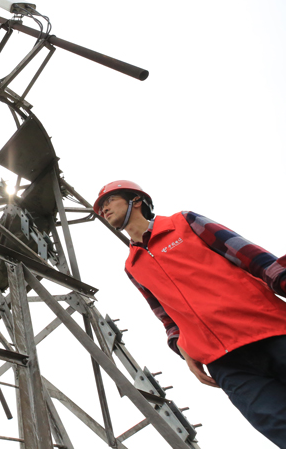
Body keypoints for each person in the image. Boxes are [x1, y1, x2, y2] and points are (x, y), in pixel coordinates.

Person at [94, 180, 286, 447]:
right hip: (226, 364)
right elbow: (167, 318)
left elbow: (252, 257)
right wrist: (183, 350)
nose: (103, 209)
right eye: (101, 207)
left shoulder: (184, 222)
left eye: (109, 201)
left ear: (136, 200)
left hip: (269, 330)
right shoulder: (132, 266)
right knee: (278, 426)